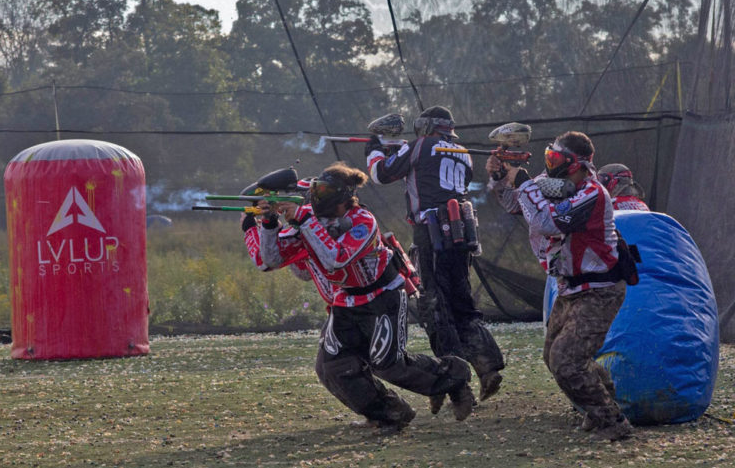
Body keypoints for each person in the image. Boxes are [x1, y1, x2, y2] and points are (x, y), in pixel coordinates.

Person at [257, 162, 476, 430]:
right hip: (346, 301)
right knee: (332, 367)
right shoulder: (312, 222)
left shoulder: (362, 222)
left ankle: (455, 377)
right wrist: (269, 222)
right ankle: (390, 412)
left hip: (382, 297)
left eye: (324, 191)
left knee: (388, 364)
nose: (316, 197)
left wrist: (304, 220)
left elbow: (336, 259)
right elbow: (270, 259)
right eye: (316, 190)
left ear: (342, 197)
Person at [485, 131, 633, 441]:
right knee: (554, 356)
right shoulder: (554, 183)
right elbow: (517, 205)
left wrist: (524, 183)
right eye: (548, 157)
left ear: (574, 164)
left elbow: (544, 222)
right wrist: (501, 178)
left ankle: (613, 423)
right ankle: (602, 406)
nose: (548, 165)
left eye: (555, 160)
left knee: (566, 362)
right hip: (570, 288)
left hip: (599, 290)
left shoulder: (592, 194)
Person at [364, 105, 504, 410]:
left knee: (435, 306)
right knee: (461, 301)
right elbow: (432, 170)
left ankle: (456, 379)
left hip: (433, 233)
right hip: (462, 232)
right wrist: (399, 149)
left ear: (426, 126)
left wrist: (375, 147)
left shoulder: (421, 145)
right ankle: (487, 365)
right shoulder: (461, 150)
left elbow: (380, 174)